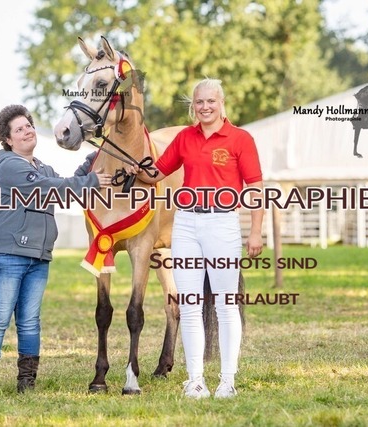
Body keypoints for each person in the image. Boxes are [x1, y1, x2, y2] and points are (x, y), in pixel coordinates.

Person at [131, 78, 264, 399]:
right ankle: (195, 380)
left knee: (225, 305)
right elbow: (156, 173)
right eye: (199, 102)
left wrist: (255, 231)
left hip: (223, 223)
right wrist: (133, 163)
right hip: (186, 225)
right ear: (193, 106)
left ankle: (227, 381)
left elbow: (256, 188)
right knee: (190, 305)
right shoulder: (185, 138)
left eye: (210, 101)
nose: (205, 107)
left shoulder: (241, 139)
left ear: (221, 103)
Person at [0, 105, 111, 397]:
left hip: (38, 256)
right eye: (19, 129)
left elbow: (65, 187)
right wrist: (91, 180)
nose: (27, 131)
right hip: (7, 254)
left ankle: (27, 381)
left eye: (29, 126)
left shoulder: (42, 167)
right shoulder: (9, 165)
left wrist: (93, 159)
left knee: (30, 321)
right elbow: (51, 188)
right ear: (8, 139)